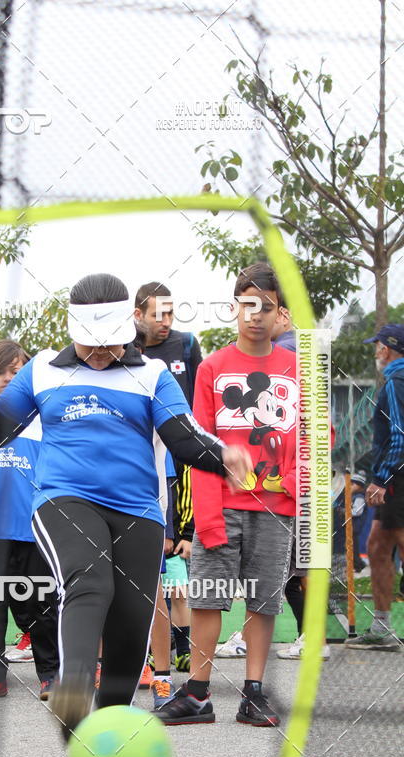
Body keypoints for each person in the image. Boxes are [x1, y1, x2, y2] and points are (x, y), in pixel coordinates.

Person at [0, 273, 251, 740]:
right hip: (63, 498)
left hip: (138, 509)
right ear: (72, 330)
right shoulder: (42, 370)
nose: (100, 353)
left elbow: (183, 437)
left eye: (110, 343)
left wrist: (222, 455)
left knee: (131, 622)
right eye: (90, 343)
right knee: (89, 581)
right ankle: (72, 692)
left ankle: (107, 724)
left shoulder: (152, 375)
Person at [156, 262, 297, 727]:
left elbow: (320, 435)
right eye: (247, 304)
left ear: (282, 315)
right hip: (223, 507)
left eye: (266, 307)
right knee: (206, 598)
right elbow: (199, 443)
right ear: (235, 308)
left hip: (275, 510)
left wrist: (293, 487)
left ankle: (253, 692)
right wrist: (207, 519)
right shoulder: (212, 368)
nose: (255, 315)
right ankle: (197, 693)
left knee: (262, 602)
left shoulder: (299, 369)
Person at [0, 339, 59, 700]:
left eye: (17, 372)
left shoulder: (43, 419)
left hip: (34, 528)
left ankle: (52, 675)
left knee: (42, 605)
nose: (8, 378)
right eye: (1, 372)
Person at [134, 281, 202, 676]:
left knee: (177, 565)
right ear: (137, 315)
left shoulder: (186, 345)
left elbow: (199, 406)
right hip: (143, 465)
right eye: (157, 313)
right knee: (144, 576)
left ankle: (181, 649)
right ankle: (138, 656)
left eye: (170, 313)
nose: (165, 321)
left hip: (182, 461)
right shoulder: (125, 351)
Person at [346, 325, 404, 651]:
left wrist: (381, 479)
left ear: (386, 349)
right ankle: (382, 627)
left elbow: (399, 436)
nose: (375, 352)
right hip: (394, 475)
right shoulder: (394, 380)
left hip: (399, 478)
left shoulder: (396, 382)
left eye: (377, 346)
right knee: (378, 546)